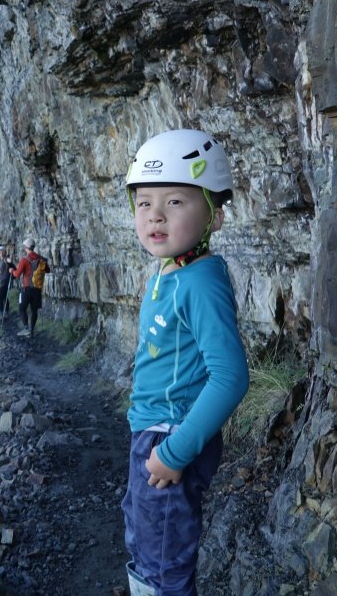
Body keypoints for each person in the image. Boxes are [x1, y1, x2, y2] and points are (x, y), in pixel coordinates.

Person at [121, 129, 250, 596]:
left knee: (162, 563)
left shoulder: (199, 281)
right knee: (145, 542)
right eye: (144, 203)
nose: (155, 214)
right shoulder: (171, 270)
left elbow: (231, 377)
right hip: (153, 433)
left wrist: (174, 453)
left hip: (172, 437)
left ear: (214, 214)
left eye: (175, 201)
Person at [9, 237, 48, 337]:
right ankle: (31, 330)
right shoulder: (41, 259)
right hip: (37, 289)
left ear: (26, 247)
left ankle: (26, 328)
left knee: (22, 309)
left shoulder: (24, 260)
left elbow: (17, 274)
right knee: (34, 310)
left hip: (26, 288)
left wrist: (11, 271)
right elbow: (47, 270)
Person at [0, 245, 17, 319]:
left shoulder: (5, 259)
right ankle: (6, 313)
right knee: (4, 297)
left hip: (5, 280)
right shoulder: (1, 260)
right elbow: (3, 270)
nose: (0, 252)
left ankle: (0, 314)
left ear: (5, 252)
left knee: (0, 296)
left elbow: (9, 261)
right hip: (3, 279)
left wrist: (9, 260)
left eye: (2, 251)